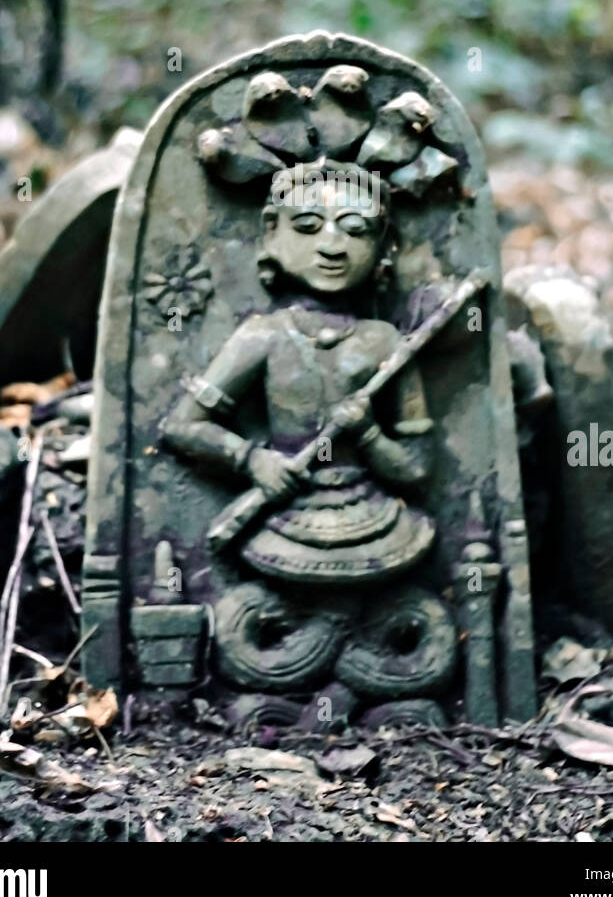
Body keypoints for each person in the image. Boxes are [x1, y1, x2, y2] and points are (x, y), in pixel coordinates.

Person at [160, 161, 436, 584]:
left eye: (356, 230)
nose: (332, 246)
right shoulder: (264, 336)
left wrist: (367, 434)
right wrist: (252, 460)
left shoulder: (385, 342)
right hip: (284, 523)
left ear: (385, 247)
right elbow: (181, 425)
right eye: (308, 227)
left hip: (378, 525)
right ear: (272, 234)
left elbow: (416, 469)